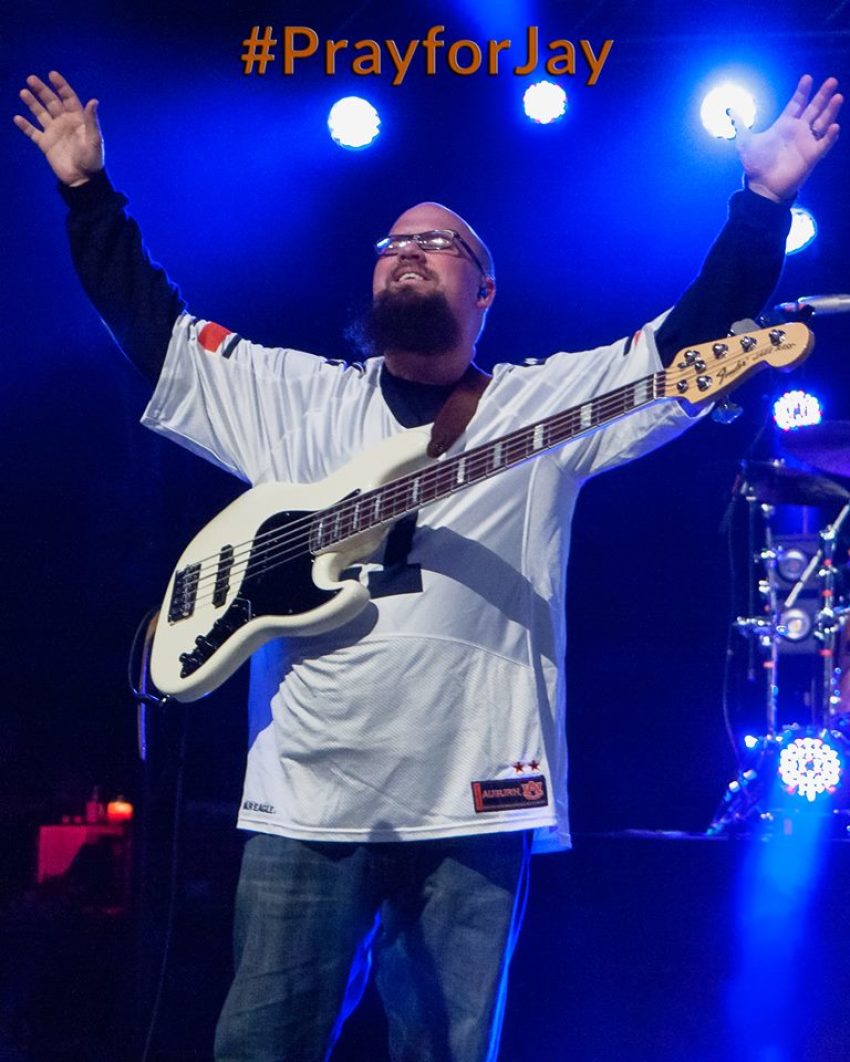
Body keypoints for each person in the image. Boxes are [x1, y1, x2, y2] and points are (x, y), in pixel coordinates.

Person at [14, 70, 842, 1062]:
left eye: (437, 244)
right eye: (392, 244)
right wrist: (86, 193)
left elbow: (685, 340)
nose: (408, 254)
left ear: (483, 292)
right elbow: (155, 332)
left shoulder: (543, 408)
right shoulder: (297, 397)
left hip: (475, 799)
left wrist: (761, 206)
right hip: (308, 800)